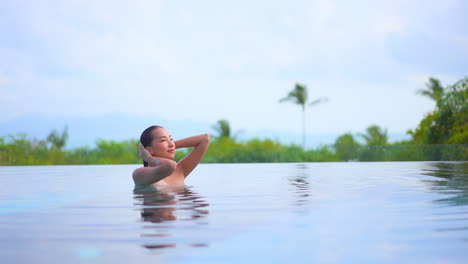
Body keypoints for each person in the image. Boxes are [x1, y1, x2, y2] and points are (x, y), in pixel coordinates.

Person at [132, 125, 210, 188]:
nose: (171, 143)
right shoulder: (139, 174)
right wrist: (149, 158)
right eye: (163, 140)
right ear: (149, 150)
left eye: (171, 139)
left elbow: (204, 139)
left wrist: (169, 146)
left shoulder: (180, 171)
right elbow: (169, 166)